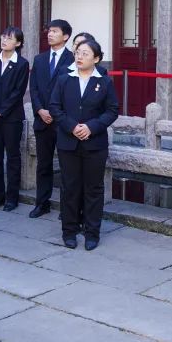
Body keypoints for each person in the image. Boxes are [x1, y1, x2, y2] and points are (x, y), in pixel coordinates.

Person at [48, 38, 119, 250]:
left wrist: (91, 127)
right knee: (69, 188)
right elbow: (54, 107)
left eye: (85, 53)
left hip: (95, 144)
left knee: (93, 189)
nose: (79, 57)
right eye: (78, 52)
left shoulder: (104, 82)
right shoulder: (64, 79)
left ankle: (92, 233)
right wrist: (72, 126)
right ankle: (69, 231)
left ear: (96, 59)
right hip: (68, 143)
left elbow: (112, 110)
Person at [30, 19, 75, 218]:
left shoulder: (73, 58)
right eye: (49, 31)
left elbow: (72, 91)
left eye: (54, 31)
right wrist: (40, 109)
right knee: (43, 165)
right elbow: (34, 88)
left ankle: (67, 208)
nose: (49, 34)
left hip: (62, 122)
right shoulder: (39, 59)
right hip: (42, 120)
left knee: (67, 168)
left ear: (65, 36)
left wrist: (56, 114)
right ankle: (42, 203)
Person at [0, 26, 30, 211]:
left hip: (12, 117)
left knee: (12, 157)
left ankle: (12, 198)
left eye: (9, 38)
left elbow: (18, 92)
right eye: (3, 36)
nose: (4, 40)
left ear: (18, 43)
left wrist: (1, 111)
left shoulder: (22, 64)